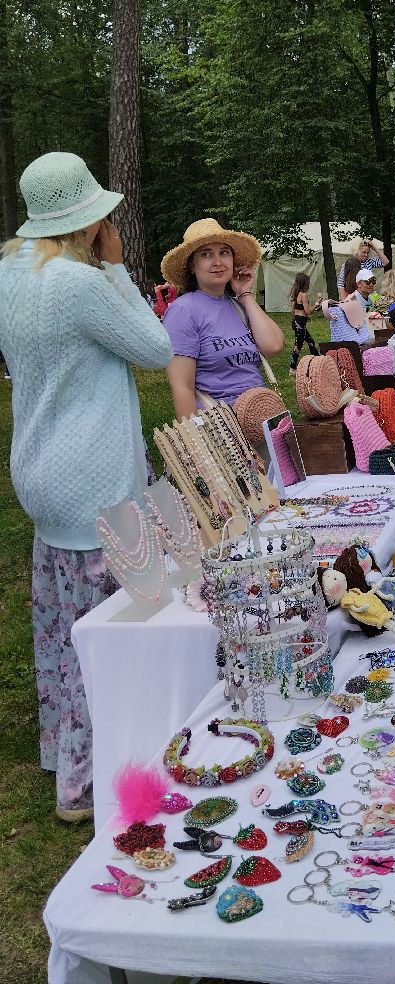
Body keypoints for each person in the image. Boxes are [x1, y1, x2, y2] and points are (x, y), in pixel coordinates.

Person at [0, 151, 173, 822]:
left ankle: (62, 749)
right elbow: (156, 349)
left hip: (40, 469)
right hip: (97, 474)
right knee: (110, 630)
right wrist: (116, 268)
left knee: (60, 625)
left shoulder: (11, 271)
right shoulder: (79, 280)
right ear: (89, 220)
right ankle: (84, 781)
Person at [161, 218, 284, 419]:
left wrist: (245, 295)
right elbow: (182, 388)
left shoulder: (237, 305)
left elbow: (274, 345)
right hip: (222, 428)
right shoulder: (183, 310)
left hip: (263, 418)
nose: (217, 262)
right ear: (192, 265)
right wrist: (197, 442)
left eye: (224, 253)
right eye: (206, 254)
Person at [321, 267, 376, 344]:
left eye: (373, 282)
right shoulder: (352, 299)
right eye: (367, 282)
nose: (371, 284)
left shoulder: (371, 298)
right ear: (358, 284)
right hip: (358, 339)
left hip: (370, 335)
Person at [288, 271, 320, 372]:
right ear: (305, 283)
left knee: (311, 342)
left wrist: (303, 317)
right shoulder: (303, 295)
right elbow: (308, 311)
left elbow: (294, 310)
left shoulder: (296, 294)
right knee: (298, 345)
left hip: (297, 321)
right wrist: (317, 303)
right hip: (300, 323)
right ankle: (292, 368)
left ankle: (318, 361)